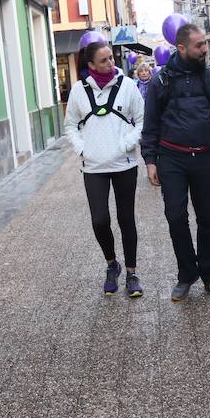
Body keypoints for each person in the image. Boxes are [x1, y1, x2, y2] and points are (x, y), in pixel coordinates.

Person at [141, 23, 210, 302]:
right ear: (181, 48)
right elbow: (151, 123)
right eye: (199, 45)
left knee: (207, 218)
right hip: (172, 159)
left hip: (206, 156)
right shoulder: (161, 81)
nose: (204, 49)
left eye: (205, 43)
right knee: (175, 216)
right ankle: (186, 273)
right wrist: (150, 160)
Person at [65, 41, 145, 297]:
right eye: (104, 60)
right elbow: (70, 125)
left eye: (111, 58)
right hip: (93, 166)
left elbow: (142, 120)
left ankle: (132, 273)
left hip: (124, 163)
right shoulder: (78, 91)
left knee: (126, 219)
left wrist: (126, 144)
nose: (111, 63)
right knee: (99, 220)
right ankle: (112, 264)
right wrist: (82, 149)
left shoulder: (128, 86)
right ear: (90, 65)